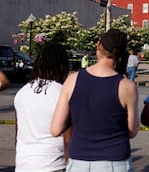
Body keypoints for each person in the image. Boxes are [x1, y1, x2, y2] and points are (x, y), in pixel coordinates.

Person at [51, 29, 139, 172]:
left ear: (99, 45)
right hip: (115, 160)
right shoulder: (127, 87)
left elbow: (55, 129)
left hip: (79, 160)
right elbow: (132, 131)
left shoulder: (72, 80)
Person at [14, 43, 70, 171]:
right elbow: (69, 139)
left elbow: (18, 133)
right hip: (53, 164)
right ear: (62, 66)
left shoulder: (22, 92)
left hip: (24, 164)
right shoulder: (62, 93)